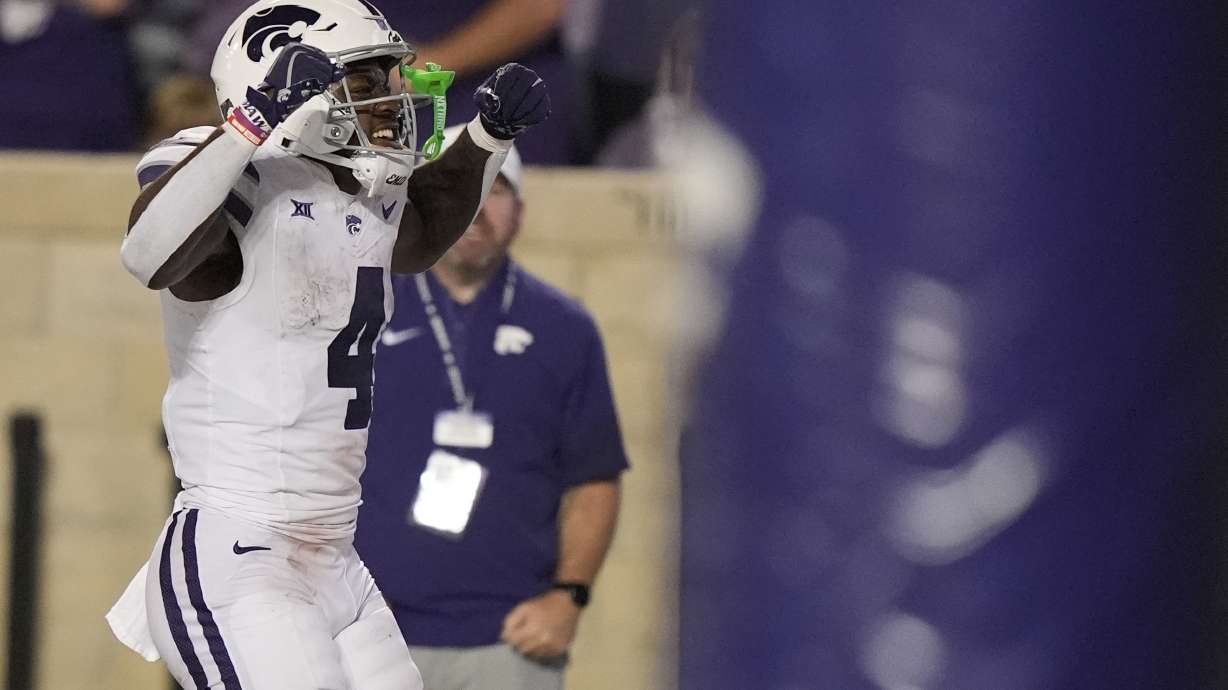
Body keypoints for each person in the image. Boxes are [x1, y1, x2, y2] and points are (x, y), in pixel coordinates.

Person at [103, 0, 549, 687]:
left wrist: (487, 139)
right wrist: (246, 126)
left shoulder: (362, 188)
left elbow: (424, 230)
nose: (391, 101)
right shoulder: (236, 173)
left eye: (387, 82)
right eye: (363, 84)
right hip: (238, 549)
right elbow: (149, 256)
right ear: (279, 84)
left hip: (334, 559)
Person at [355, 125, 627, 690]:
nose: (474, 205)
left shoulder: (564, 330)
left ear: (521, 213)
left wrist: (569, 597)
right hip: (367, 637)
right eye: (457, 186)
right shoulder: (359, 315)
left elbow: (595, 478)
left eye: (495, 189)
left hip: (509, 643)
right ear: (420, 201)